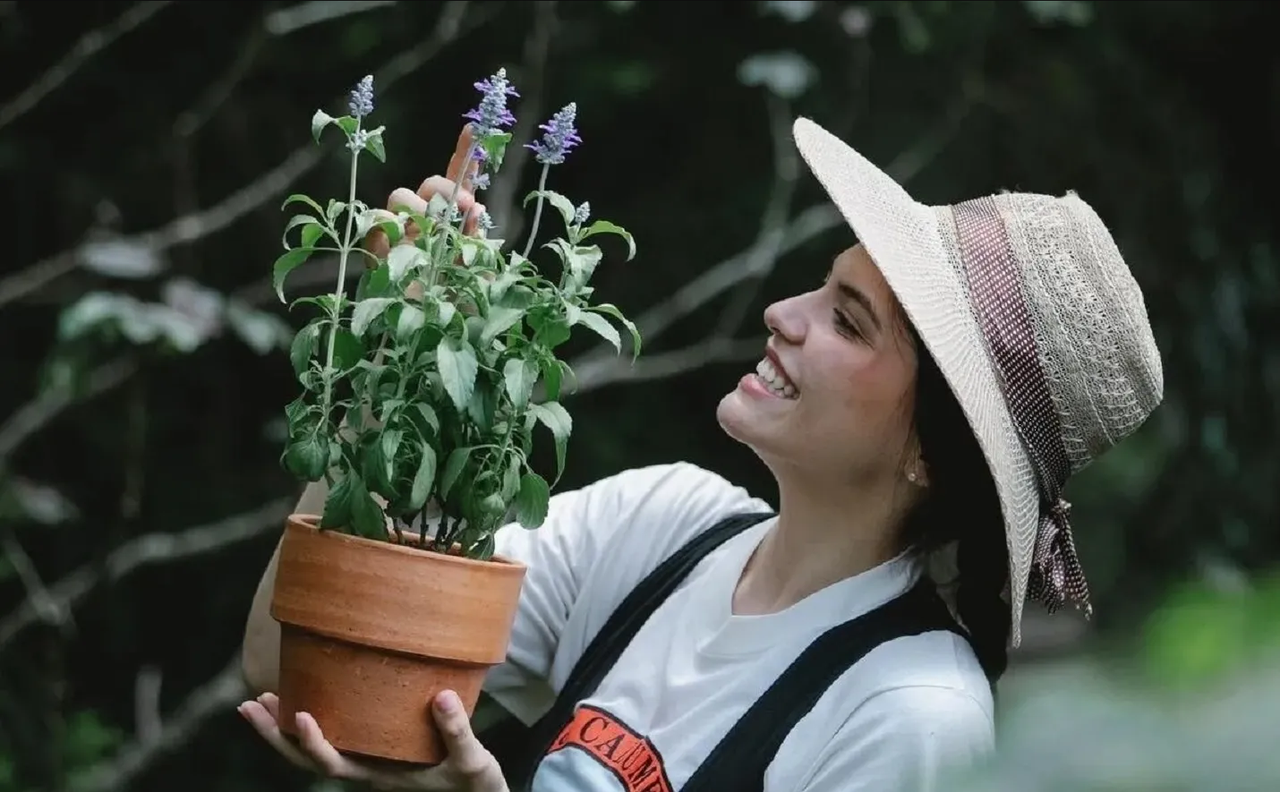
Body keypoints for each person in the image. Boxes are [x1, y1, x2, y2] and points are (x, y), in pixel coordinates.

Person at [237, 117, 1164, 792]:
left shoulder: (908, 714)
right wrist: (393, 348)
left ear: (930, 449)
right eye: (820, 285)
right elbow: (293, 667)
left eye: (846, 320)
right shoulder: (663, 525)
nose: (783, 315)